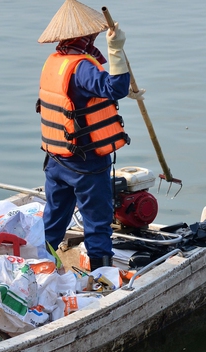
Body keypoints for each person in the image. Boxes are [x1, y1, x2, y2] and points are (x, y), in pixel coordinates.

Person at [37, 0, 144, 270]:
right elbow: (115, 88)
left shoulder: (57, 62)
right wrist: (116, 50)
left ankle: (39, 264)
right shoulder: (82, 66)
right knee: (98, 222)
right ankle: (101, 276)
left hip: (56, 160)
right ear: (85, 35)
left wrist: (123, 90)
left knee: (54, 220)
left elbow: (80, 96)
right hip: (86, 163)